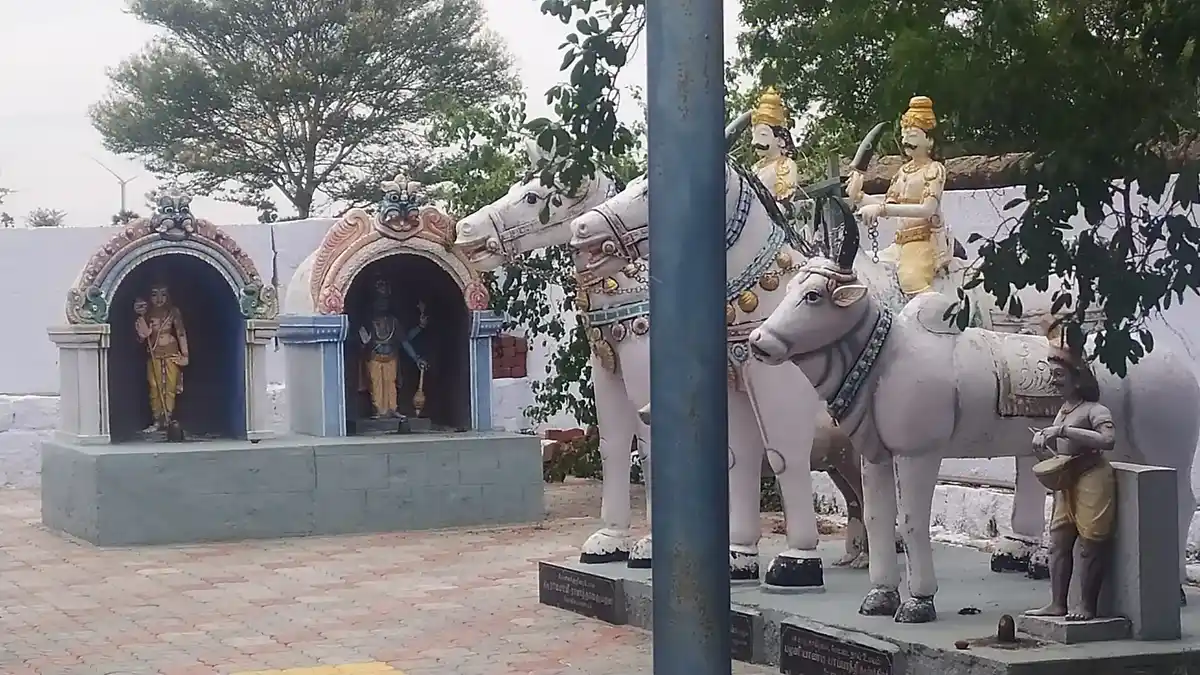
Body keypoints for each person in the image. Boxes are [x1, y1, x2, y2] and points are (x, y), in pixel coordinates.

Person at [1025, 330, 1116, 621]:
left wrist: (1063, 431)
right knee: (1058, 543)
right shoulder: (1063, 411)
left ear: (1077, 378)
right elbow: (1059, 453)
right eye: (1052, 376)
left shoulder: (1095, 410)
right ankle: (1057, 602)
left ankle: (1087, 605)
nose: (1054, 381)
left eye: (1059, 376)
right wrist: (1043, 447)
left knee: (1092, 542)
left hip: (1092, 476)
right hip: (1068, 480)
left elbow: (1107, 441)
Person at [846, 95, 952, 295]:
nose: (905, 140)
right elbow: (887, 205)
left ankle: (933, 321)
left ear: (929, 139)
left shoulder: (934, 170)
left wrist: (881, 209)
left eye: (912, 135)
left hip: (922, 241)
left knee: (911, 282)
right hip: (898, 243)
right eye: (904, 135)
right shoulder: (903, 171)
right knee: (864, 270)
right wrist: (859, 195)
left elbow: (927, 209)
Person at [134, 284, 189, 431]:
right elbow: (142, 337)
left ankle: (168, 418)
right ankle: (157, 419)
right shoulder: (147, 314)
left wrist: (185, 355)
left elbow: (181, 332)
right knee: (155, 386)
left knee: (170, 386)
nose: (159, 299)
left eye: (163, 294)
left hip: (171, 353)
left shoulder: (173, 312)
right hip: (154, 353)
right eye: (154, 295)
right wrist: (143, 330)